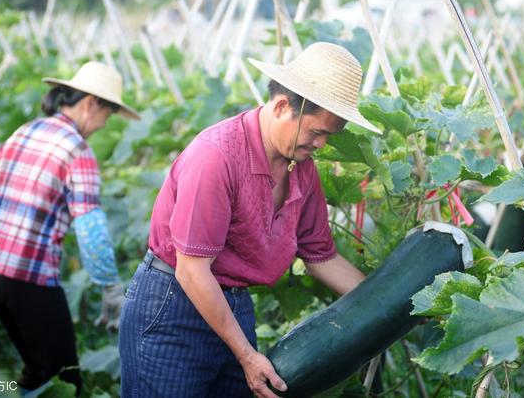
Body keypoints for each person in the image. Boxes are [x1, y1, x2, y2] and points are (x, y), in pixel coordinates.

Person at [119, 42, 382, 398]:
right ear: (282, 106)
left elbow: (322, 258)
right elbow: (192, 270)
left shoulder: (302, 170)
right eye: (316, 132)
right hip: (174, 306)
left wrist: (388, 302)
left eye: (328, 136)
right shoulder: (216, 157)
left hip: (233, 305)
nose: (321, 144)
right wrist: (246, 354)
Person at [0, 61, 139, 395]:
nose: (102, 125)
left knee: (38, 370)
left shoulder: (24, 131)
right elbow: (91, 228)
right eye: (107, 115)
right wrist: (109, 288)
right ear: (91, 104)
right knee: (66, 380)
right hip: (29, 280)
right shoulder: (77, 150)